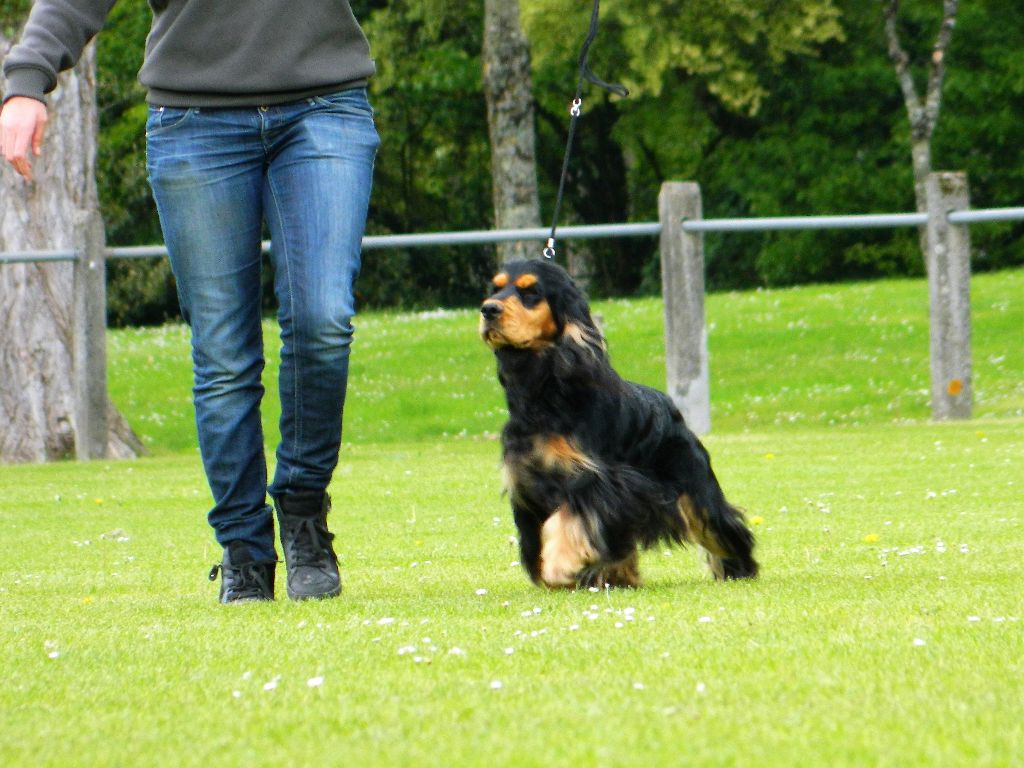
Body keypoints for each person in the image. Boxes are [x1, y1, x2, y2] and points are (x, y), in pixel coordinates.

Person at [1, 1, 381, 604]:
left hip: (325, 103)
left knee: (323, 320)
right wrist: (28, 78)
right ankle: (244, 548)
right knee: (223, 352)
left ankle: (304, 513)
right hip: (193, 119)